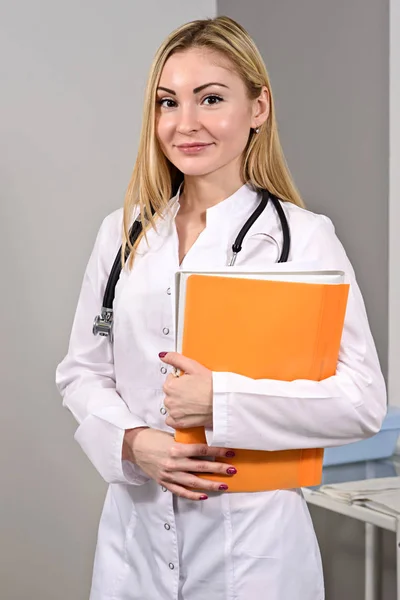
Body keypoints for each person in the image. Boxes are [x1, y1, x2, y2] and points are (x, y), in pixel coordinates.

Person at [55, 15, 387, 600]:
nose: (185, 125)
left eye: (211, 99)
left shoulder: (304, 239)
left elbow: (359, 402)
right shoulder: (123, 233)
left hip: (255, 556)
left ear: (258, 107)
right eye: (168, 102)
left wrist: (221, 401)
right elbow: (82, 372)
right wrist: (133, 443)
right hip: (133, 549)